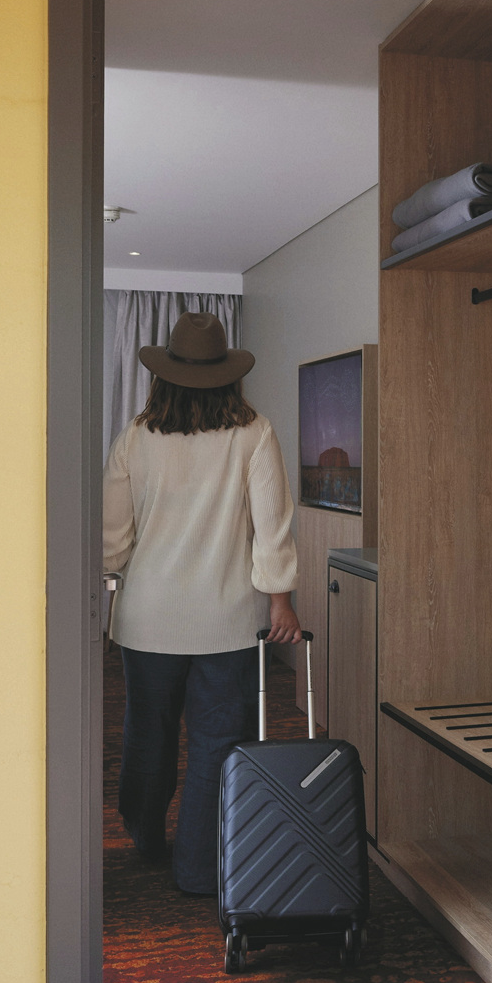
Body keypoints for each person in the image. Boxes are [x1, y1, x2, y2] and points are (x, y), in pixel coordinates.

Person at [103, 309, 302, 894]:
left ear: (164, 375)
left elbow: (112, 540)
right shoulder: (254, 432)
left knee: (148, 732)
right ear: (227, 375)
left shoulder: (135, 437)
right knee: (218, 743)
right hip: (228, 622)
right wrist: (281, 602)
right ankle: (197, 870)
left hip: (146, 620)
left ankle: (144, 835)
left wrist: (113, 578)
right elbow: (272, 528)